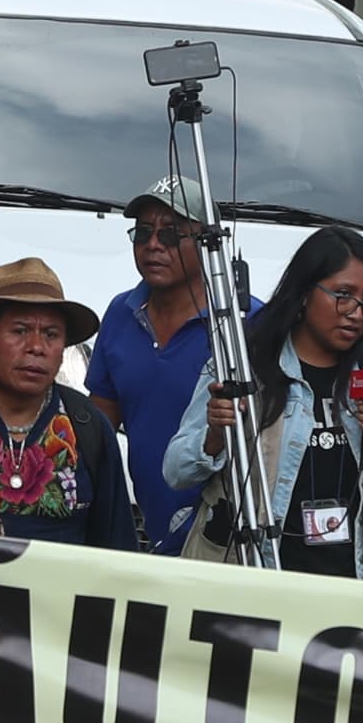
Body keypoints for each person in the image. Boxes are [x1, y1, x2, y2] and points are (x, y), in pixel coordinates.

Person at [171, 226, 363, 580]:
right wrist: (215, 434)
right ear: (306, 293)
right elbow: (176, 471)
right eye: (343, 295)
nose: (356, 312)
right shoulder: (244, 364)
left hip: (352, 580)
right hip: (257, 576)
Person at [83, 176, 235, 555]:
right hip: (149, 532)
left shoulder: (242, 323)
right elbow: (96, 434)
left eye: (171, 234)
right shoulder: (121, 313)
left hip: (223, 539)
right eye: (143, 233)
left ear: (206, 241)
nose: (153, 245)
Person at [0, 257, 137, 551]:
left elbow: (117, 550)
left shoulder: (86, 426)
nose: (37, 347)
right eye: (20, 331)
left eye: (51, 335)